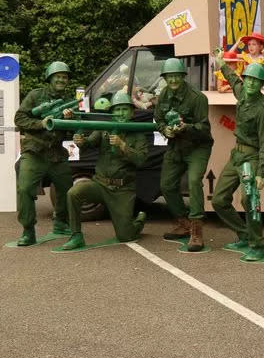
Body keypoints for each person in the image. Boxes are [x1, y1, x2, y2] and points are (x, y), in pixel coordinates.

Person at [59, 91, 148, 250]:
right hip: (100, 184)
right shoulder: (104, 128)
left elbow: (141, 161)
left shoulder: (138, 133)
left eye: (125, 109)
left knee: (125, 236)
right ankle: (76, 236)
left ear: (132, 112)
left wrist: (122, 145)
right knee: (74, 193)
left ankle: (139, 220)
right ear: (112, 112)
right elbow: (88, 145)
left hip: (123, 190)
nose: (121, 113)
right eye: (117, 109)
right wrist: (81, 141)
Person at [212, 56, 264, 262]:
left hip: (252, 158)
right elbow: (233, 80)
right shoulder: (242, 93)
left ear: (261, 84)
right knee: (219, 200)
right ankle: (243, 233)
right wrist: (221, 62)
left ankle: (258, 246)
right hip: (237, 155)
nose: (250, 83)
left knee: (249, 199)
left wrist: (261, 173)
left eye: (255, 81)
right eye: (248, 78)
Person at [14, 61, 75, 246]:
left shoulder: (69, 102)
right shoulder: (36, 95)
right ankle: (28, 230)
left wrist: (70, 120)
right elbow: (19, 118)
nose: (61, 80)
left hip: (56, 153)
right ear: (50, 78)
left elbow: (74, 132)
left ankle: (60, 222)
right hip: (34, 152)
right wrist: (40, 123)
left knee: (68, 189)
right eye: (58, 76)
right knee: (25, 189)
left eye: (64, 77)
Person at [155, 57, 213, 252]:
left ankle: (196, 231)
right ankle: (183, 223)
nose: (173, 81)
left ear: (183, 76)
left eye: (176, 76)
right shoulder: (163, 94)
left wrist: (185, 128)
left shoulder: (197, 98)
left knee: (194, 181)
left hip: (197, 146)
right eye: (169, 77)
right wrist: (166, 130)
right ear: (165, 78)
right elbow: (159, 118)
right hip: (176, 146)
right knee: (166, 185)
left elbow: (204, 129)